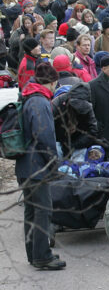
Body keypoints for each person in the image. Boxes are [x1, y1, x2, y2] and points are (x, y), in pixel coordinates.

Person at [16, 64, 65, 270]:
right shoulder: (40, 100)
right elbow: (44, 136)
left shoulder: (27, 96)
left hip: (25, 165)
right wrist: (53, 161)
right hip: (37, 166)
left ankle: (33, 253)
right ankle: (43, 256)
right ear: (51, 82)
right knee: (43, 210)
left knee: (31, 210)